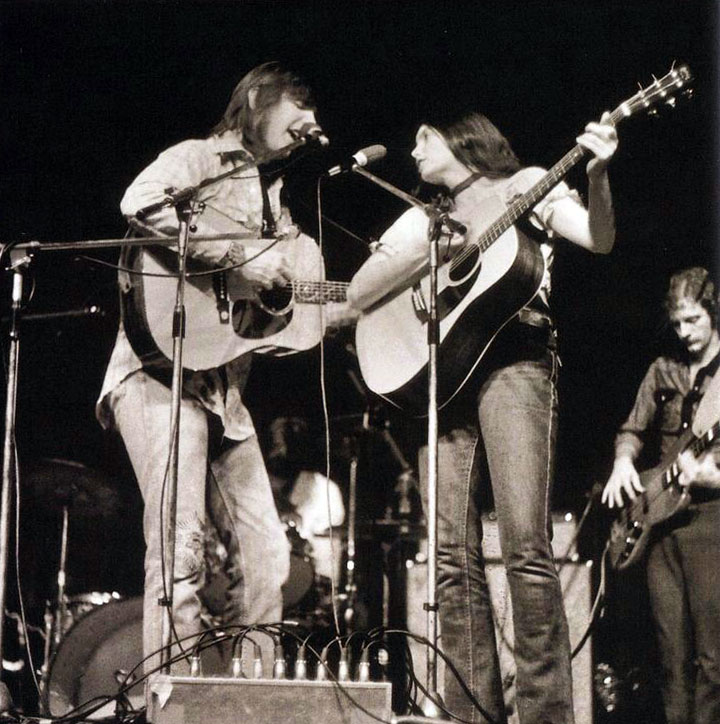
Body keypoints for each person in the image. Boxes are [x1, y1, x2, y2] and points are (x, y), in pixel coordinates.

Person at [347, 110, 618, 723]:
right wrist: (432, 252)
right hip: (444, 381)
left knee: (525, 548)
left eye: (424, 136)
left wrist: (598, 174)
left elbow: (597, 238)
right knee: (449, 557)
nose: (414, 149)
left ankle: (546, 716)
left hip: (516, 363)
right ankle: (472, 714)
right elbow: (361, 291)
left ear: (461, 137)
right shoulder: (424, 216)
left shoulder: (524, 183)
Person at [96, 61, 324, 687]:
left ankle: (253, 701)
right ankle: (172, 701)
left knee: (269, 556)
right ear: (257, 100)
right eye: (299, 106)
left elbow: (298, 301)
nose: (310, 124)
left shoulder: (275, 199)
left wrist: (372, 299)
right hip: (157, 375)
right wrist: (235, 261)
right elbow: (139, 201)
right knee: (181, 549)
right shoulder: (199, 158)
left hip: (225, 395)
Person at [602, 267, 720, 724]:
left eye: (693, 320)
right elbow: (632, 429)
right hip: (660, 523)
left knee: (713, 658)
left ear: (713, 313)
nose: (685, 332)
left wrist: (711, 478)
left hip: (710, 521)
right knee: (671, 655)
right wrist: (623, 462)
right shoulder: (662, 370)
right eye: (677, 324)